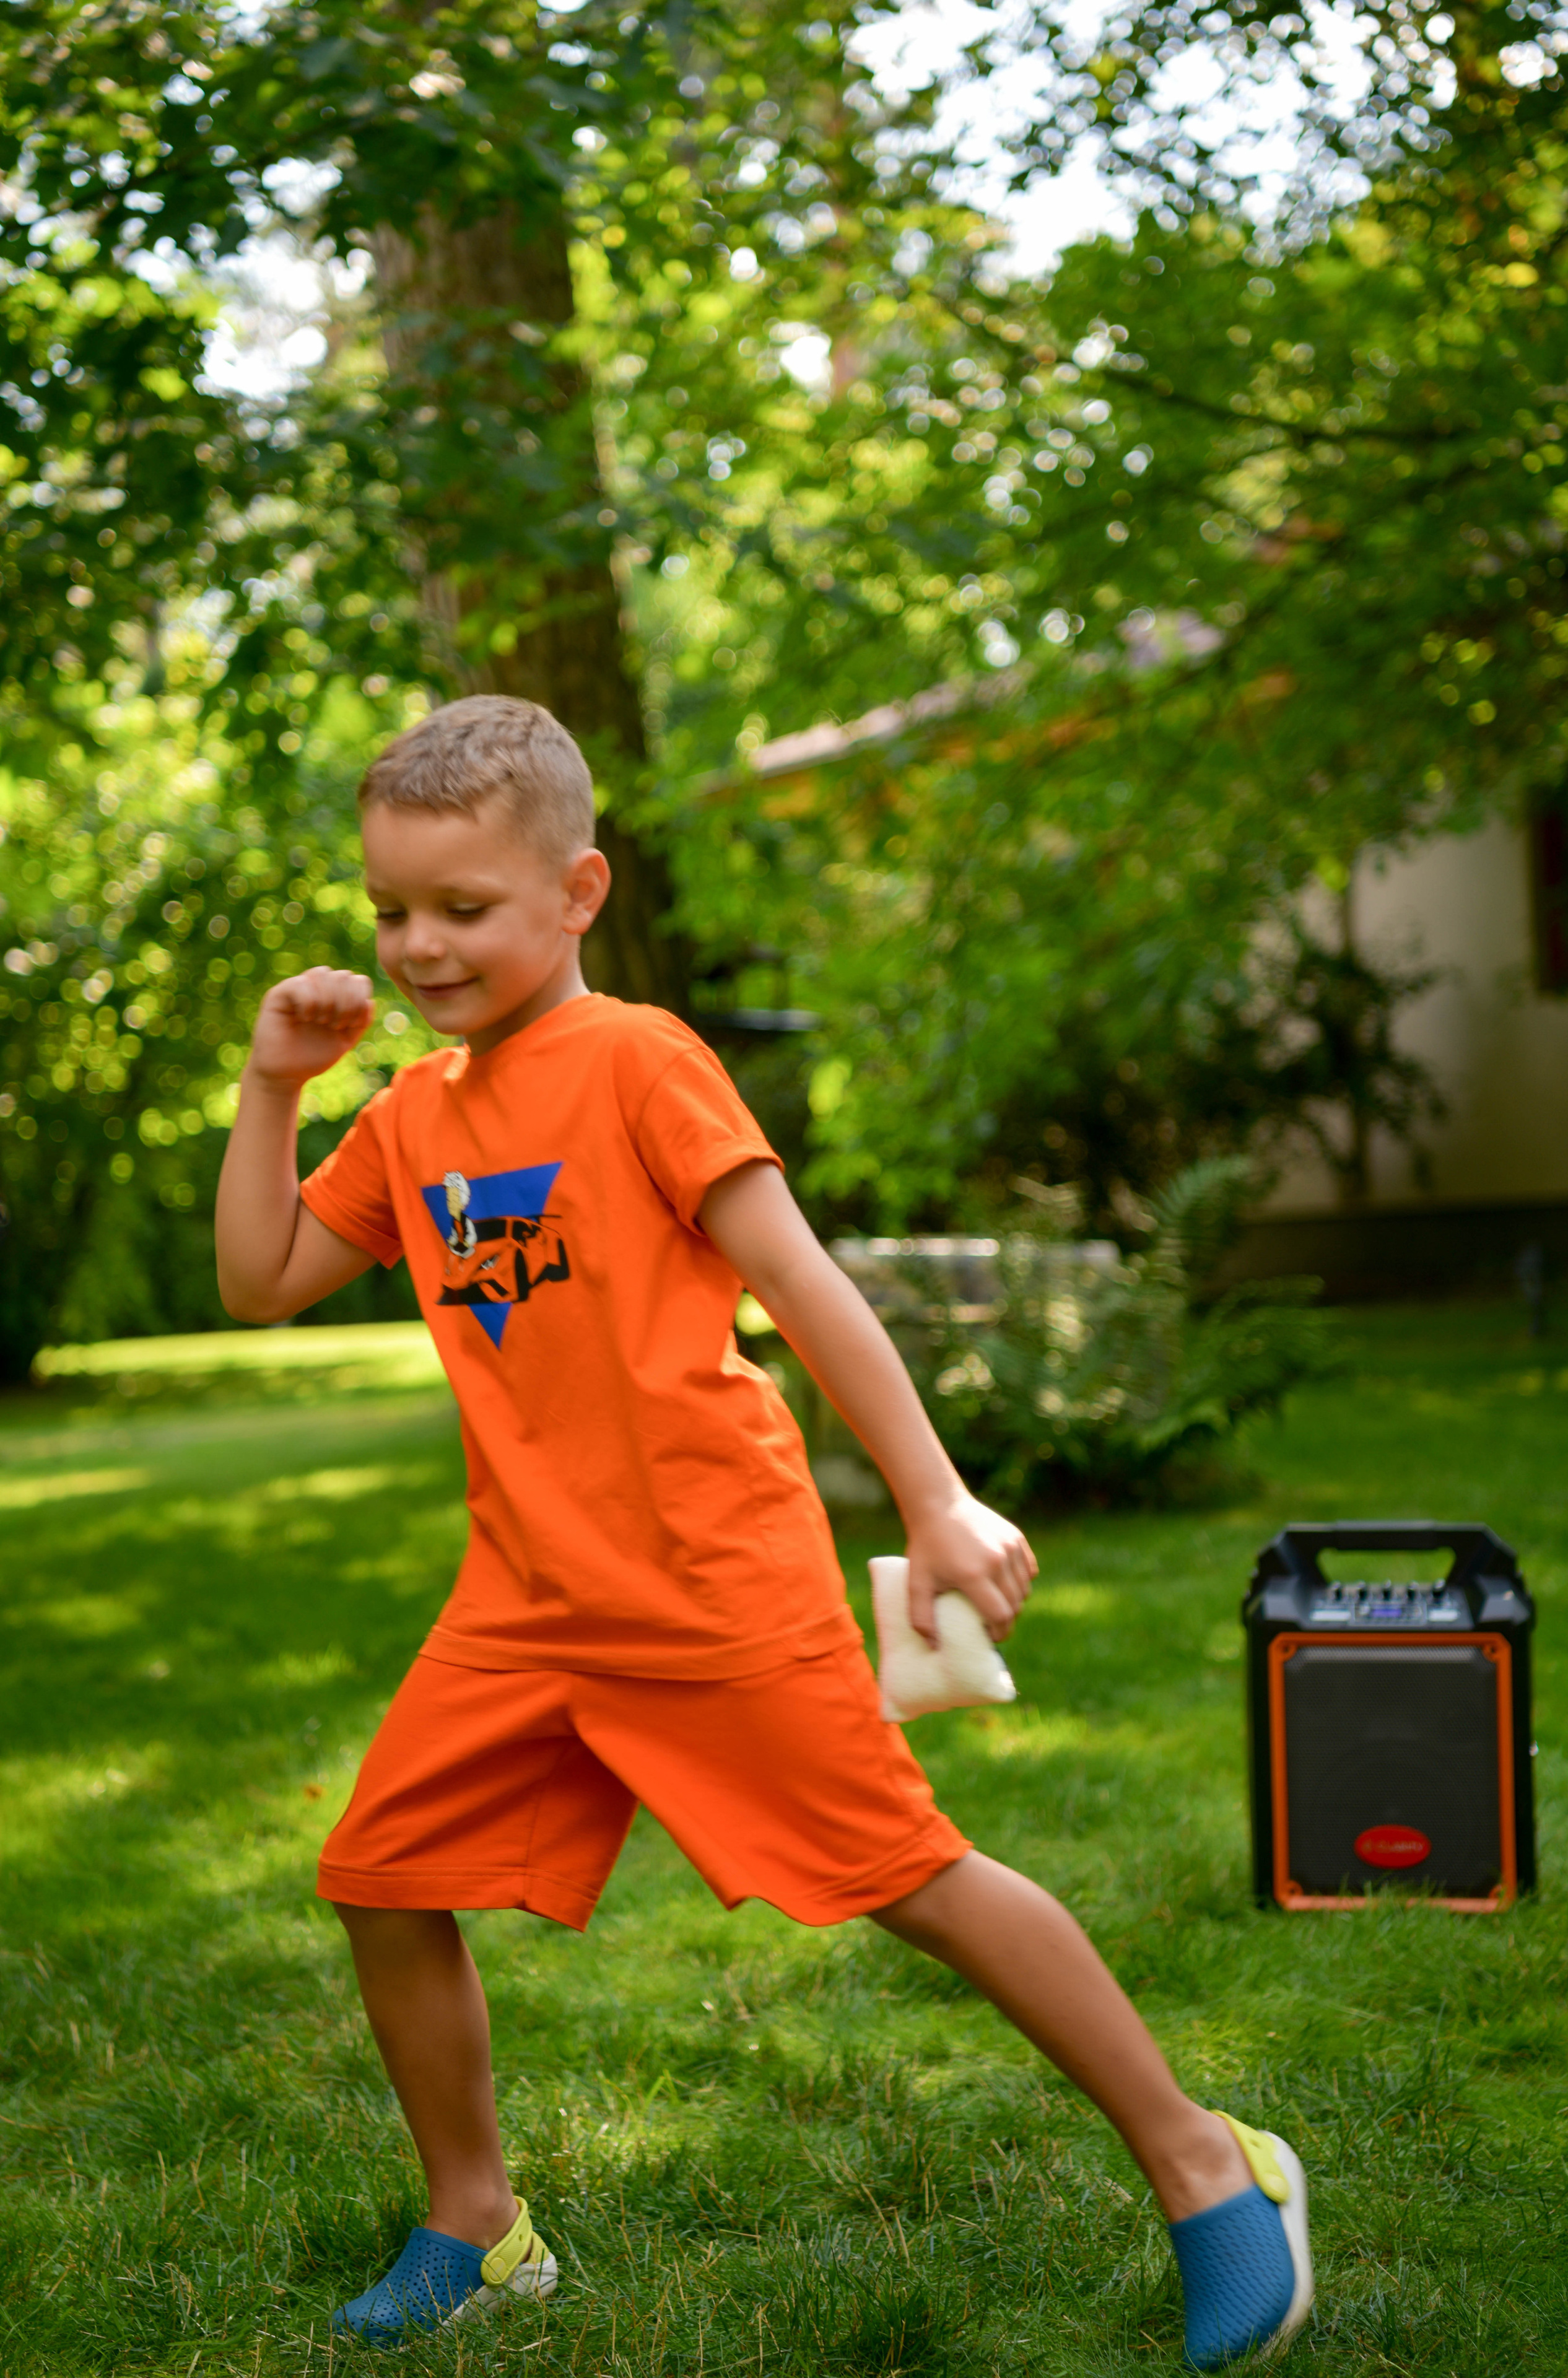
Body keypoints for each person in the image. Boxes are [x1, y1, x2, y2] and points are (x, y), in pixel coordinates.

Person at [214, 695, 1313, 2366]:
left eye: (462, 907)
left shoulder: (643, 1060)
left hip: (714, 1578)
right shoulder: (414, 1119)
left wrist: (937, 1496)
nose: (419, 945)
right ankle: (475, 2223)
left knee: (911, 1877)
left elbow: (802, 1285)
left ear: (576, 894)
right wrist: (274, 1085)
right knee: (378, 1872)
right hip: (525, 1598)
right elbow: (262, 1279)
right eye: (390, 910)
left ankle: (1208, 2164)